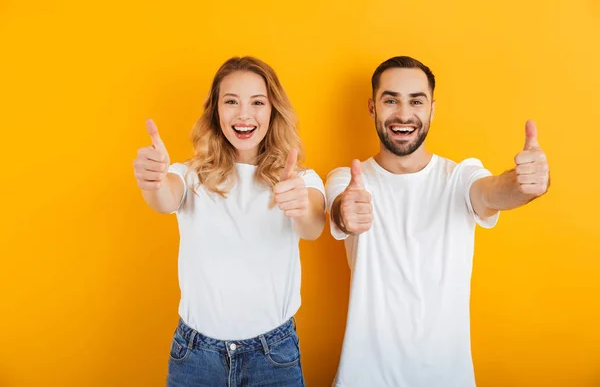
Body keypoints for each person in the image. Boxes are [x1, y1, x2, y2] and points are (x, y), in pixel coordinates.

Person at [326, 56, 550, 387]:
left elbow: (491, 193)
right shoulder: (346, 179)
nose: (404, 114)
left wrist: (521, 184)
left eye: (416, 101)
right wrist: (345, 211)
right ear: (372, 107)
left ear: (432, 108)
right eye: (391, 100)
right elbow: (338, 210)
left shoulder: (460, 177)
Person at [133, 56, 326, 387]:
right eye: (231, 102)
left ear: (272, 111)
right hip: (195, 357)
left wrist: (300, 204)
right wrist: (153, 180)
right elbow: (165, 199)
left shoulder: (299, 179)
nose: (244, 114)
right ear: (216, 112)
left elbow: (313, 225)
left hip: (273, 356)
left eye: (257, 102)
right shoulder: (190, 175)